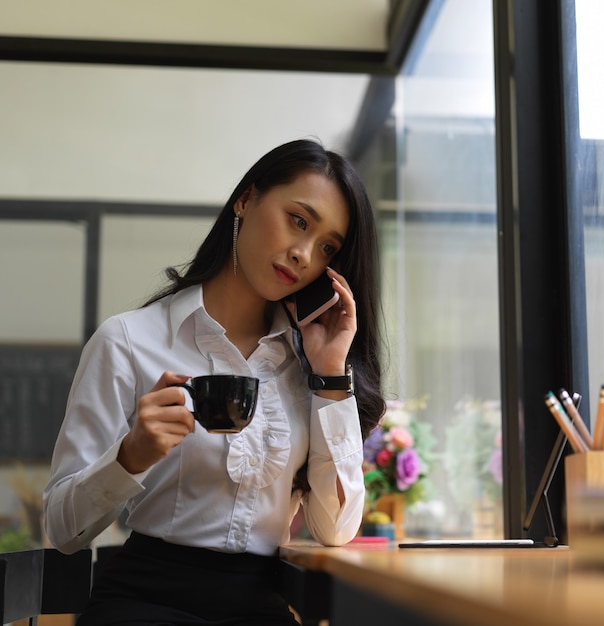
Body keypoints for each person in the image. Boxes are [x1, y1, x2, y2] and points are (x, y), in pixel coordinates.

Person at [43, 138, 385, 626]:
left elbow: (335, 530)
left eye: (327, 246)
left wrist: (331, 374)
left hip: (261, 606)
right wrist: (131, 456)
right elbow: (64, 530)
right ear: (246, 199)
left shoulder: (307, 365)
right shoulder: (127, 340)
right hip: (143, 602)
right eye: (299, 220)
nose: (303, 253)